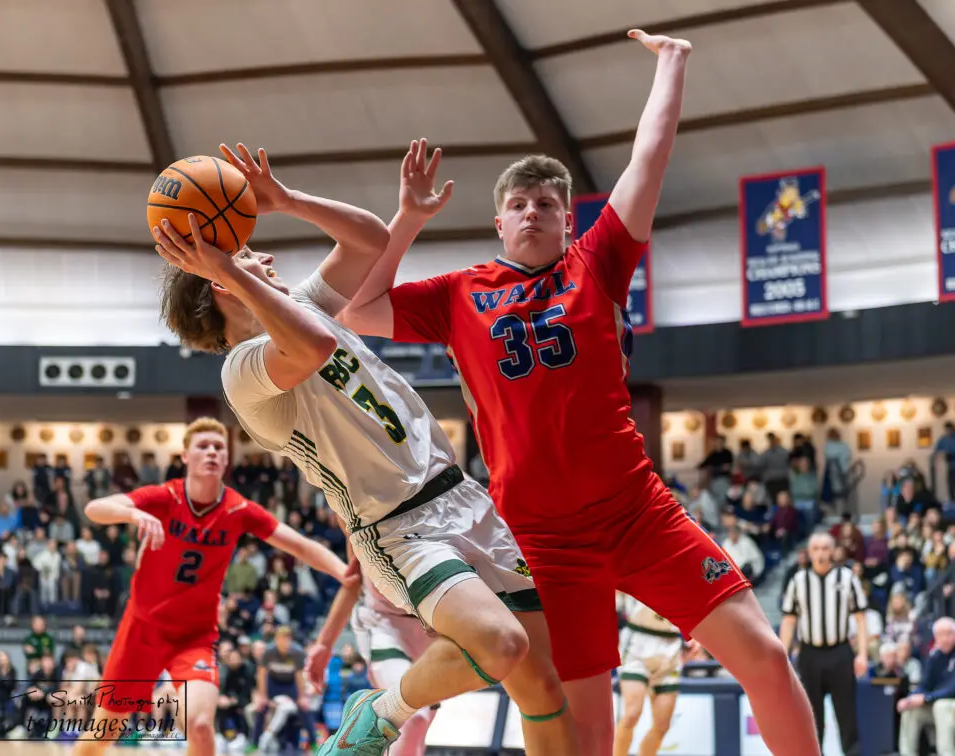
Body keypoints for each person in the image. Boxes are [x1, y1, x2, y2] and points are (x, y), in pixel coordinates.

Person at [334, 30, 818, 756]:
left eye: (547, 204)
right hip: (540, 539)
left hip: (635, 511)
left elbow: (647, 159)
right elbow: (358, 309)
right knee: (585, 730)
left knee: (766, 659)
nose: (532, 213)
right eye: (519, 204)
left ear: (569, 220)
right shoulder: (460, 291)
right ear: (498, 220)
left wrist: (672, 64)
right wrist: (407, 218)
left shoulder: (597, 263)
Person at [152, 142, 579, 756]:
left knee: (541, 685)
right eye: (247, 258)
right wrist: (229, 269)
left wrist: (286, 200)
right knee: (502, 644)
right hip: (399, 528)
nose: (264, 257)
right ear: (219, 289)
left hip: (461, 495)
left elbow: (371, 241)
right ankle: (380, 711)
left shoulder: (296, 307)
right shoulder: (241, 373)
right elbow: (313, 349)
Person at [69, 417, 352, 756]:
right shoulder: (165, 497)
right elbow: (94, 508)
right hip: (141, 631)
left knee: (201, 725)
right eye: (203, 446)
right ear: (185, 456)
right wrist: (133, 515)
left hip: (194, 637)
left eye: (219, 447)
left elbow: (300, 545)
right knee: (102, 735)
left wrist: (343, 572)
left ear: (227, 459)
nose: (212, 452)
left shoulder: (238, 509)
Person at [305, 543, 438, 756]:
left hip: (433, 628)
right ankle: (360, 721)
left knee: (419, 732)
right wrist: (324, 643)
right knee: (414, 718)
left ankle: (365, 716)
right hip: (384, 624)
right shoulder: (361, 511)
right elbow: (353, 579)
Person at [780, 532, 869, 756]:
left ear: (833, 551)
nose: (820, 553)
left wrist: (863, 655)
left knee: (847, 717)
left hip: (840, 652)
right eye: (816, 548)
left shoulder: (847, 577)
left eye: (825, 548)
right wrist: (783, 656)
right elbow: (789, 620)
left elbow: (860, 618)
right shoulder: (799, 581)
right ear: (809, 553)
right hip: (810, 654)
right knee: (811, 719)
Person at [613, 593, 699, 756]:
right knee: (632, 714)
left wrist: (696, 636)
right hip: (637, 642)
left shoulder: (685, 572)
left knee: (662, 725)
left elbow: (697, 605)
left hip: (671, 646)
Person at [897, 616, 955, 756]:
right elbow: (925, 684)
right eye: (940, 635)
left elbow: (952, 688)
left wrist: (927, 698)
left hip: (949, 704)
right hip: (936, 701)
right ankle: (907, 753)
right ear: (935, 638)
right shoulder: (935, 656)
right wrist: (911, 698)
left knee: (940, 706)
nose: (945, 638)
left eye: (949, 634)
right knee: (911, 710)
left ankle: (946, 753)